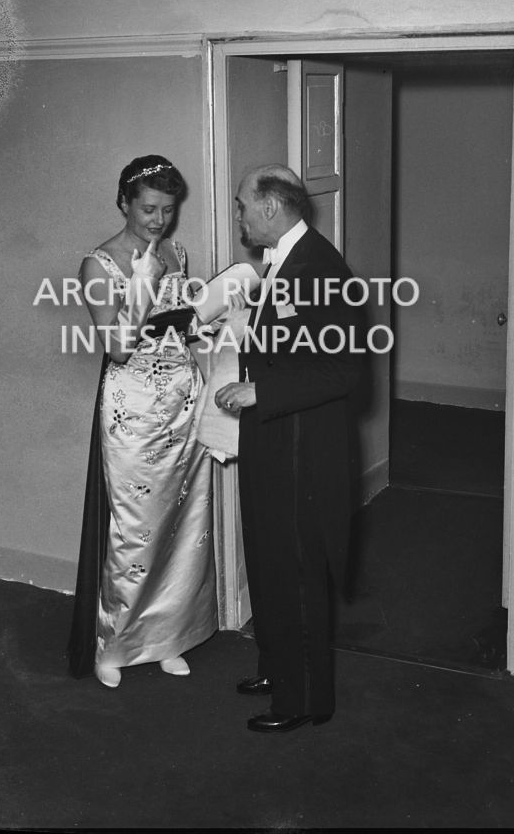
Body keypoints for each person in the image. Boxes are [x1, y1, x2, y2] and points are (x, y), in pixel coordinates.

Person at [215, 164, 364, 733]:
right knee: (270, 562)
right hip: (272, 436)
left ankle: (305, 700)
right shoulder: (282, 262)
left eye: (242, 205)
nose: (239, 215)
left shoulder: (320, 268)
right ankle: (280, 668)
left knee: (297, 569)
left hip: (301, 447)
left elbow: (346, 370)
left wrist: (262, 389)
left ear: (271, 208)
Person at [67, 155, 217, 688]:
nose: (159, 221)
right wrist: (143, 282)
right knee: (135, 529)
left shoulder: (177, 252)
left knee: (185, 525)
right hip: (133, 408)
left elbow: (186, 329)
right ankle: (117, 644)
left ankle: (168, 635)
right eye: (149, 209)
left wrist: (214, 318)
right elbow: (118, 346)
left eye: (168, 211)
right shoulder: (98, 265)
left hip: (183, 399)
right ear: (125, 204)